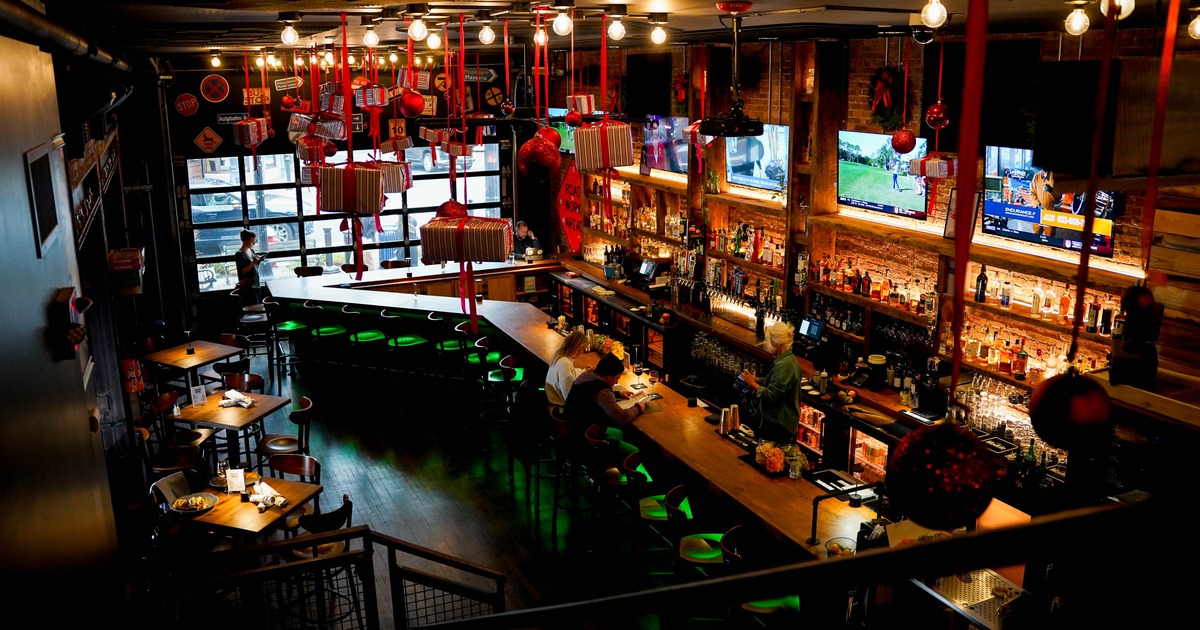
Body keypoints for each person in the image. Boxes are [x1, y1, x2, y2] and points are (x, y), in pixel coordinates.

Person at [563, 351, 644, 454]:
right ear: (609, 376)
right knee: (634, 452)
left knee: (618, 432)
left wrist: (618, 394)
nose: (617, 382)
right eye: (617, 378)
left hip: (572, 429)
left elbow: (592, 394)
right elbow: (622, 417)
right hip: (586, 439)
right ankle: (613, 463)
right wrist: (638, 407)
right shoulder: (603, 392)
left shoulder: (587, 375)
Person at [739, 321, 802, 445]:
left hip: (779, 424)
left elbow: (771, 395)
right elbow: (776, 383)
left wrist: (752, 384)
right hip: (777, 422)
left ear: (777, 342)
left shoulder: (785, 365)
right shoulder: (786, 359)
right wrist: (758, 380)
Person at [545, 330, 587, 408]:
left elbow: (571, 374)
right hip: (559, 410)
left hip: (553, 403)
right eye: (583, 349)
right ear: (578, 348)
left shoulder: (559, 355)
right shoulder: (565, 364)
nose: (583, 353)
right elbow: (570, 398)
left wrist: (584, 371)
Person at [234, 229, 265, 306]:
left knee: (258, 304)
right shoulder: (239, 254)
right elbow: (243, 271)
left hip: (256, 283)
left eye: (254, 241)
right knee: (253, 306)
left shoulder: (251, 251)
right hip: (248, 287)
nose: (254, 243)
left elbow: (254, 267)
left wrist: (258, 261)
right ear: (245, 240)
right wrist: (254, 262)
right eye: (252, 241)